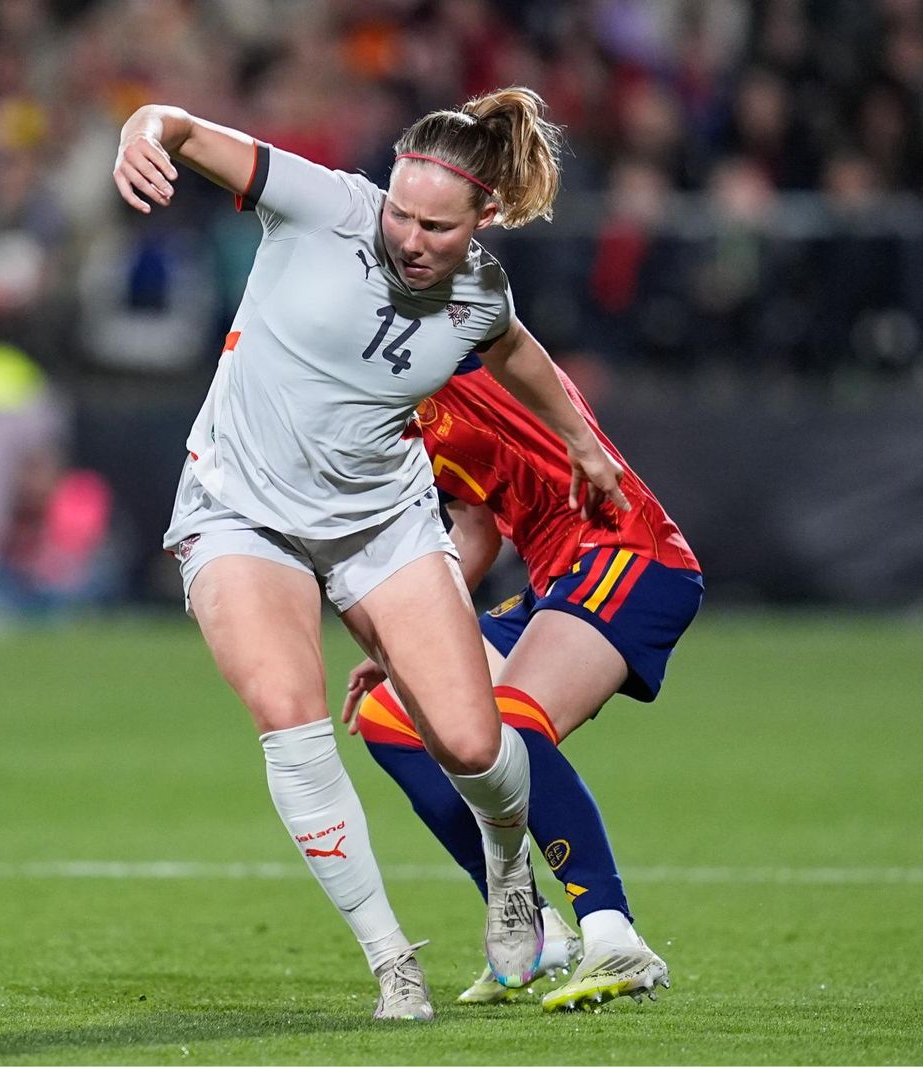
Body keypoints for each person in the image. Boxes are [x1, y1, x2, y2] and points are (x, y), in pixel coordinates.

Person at [112, 87, 630, 1021]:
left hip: (380, 521)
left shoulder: (480, 292)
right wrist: (143, 129)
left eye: (436, 224)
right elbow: (181, 128)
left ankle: (508, 868)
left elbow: (514, 351)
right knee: (288, 711)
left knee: (474, 743)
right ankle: (392, 958)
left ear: (485, 220)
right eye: (400, 209)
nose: (409, 236)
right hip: (240, 510)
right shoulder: (321, 204)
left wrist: (581, 442)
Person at [340, 355, 703, 1012]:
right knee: (391, 714)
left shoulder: (442, 344)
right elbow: (473, 534)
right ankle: (531, 925)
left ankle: (612, 931)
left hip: (627, 551)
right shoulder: (397, 418)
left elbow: (488, 320)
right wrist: (408, 637)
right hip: (554, 583)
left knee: (510, 721)